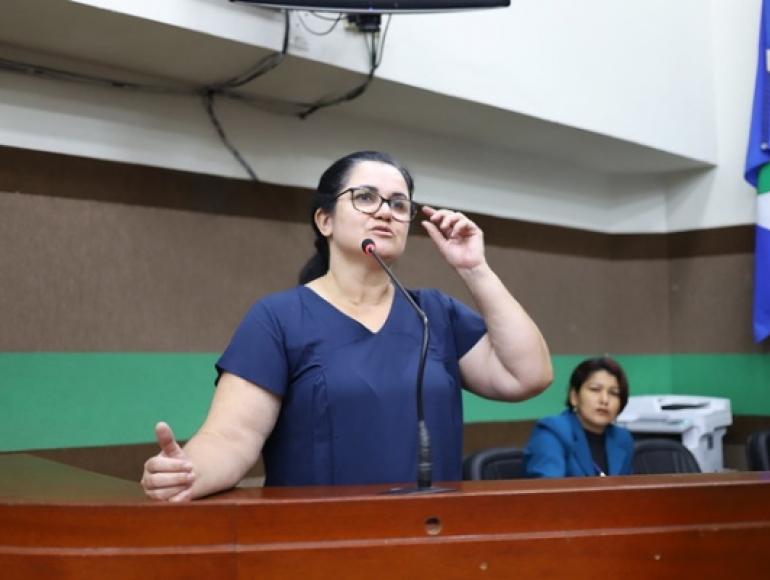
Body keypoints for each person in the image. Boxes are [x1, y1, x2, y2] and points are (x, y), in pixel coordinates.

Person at [141, 150, 553, 501]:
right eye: (365, 197)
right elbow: (232, 438)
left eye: (399, 204)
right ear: (325, 221)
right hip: (321, 539)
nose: (385, 211)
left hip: (432, 533)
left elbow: (527, 376)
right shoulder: (278, 318)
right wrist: (187, 472)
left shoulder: (434, 313)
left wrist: (475, 268)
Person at [524, 356, 634, 478]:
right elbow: (549, 487)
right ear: (574, 397)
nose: (604, 400)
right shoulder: (553, 432)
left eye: (614, 393)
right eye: (595, 389)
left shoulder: (621, 438)